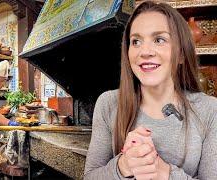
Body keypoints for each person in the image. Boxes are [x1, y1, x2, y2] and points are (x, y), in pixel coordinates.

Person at [84, 1, 217, 180]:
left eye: (159, 39)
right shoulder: (108, 104)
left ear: (181, 54)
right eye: (136, 41)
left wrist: (162, 171)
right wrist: (124, 165)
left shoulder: (209, 110)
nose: (145, 51)